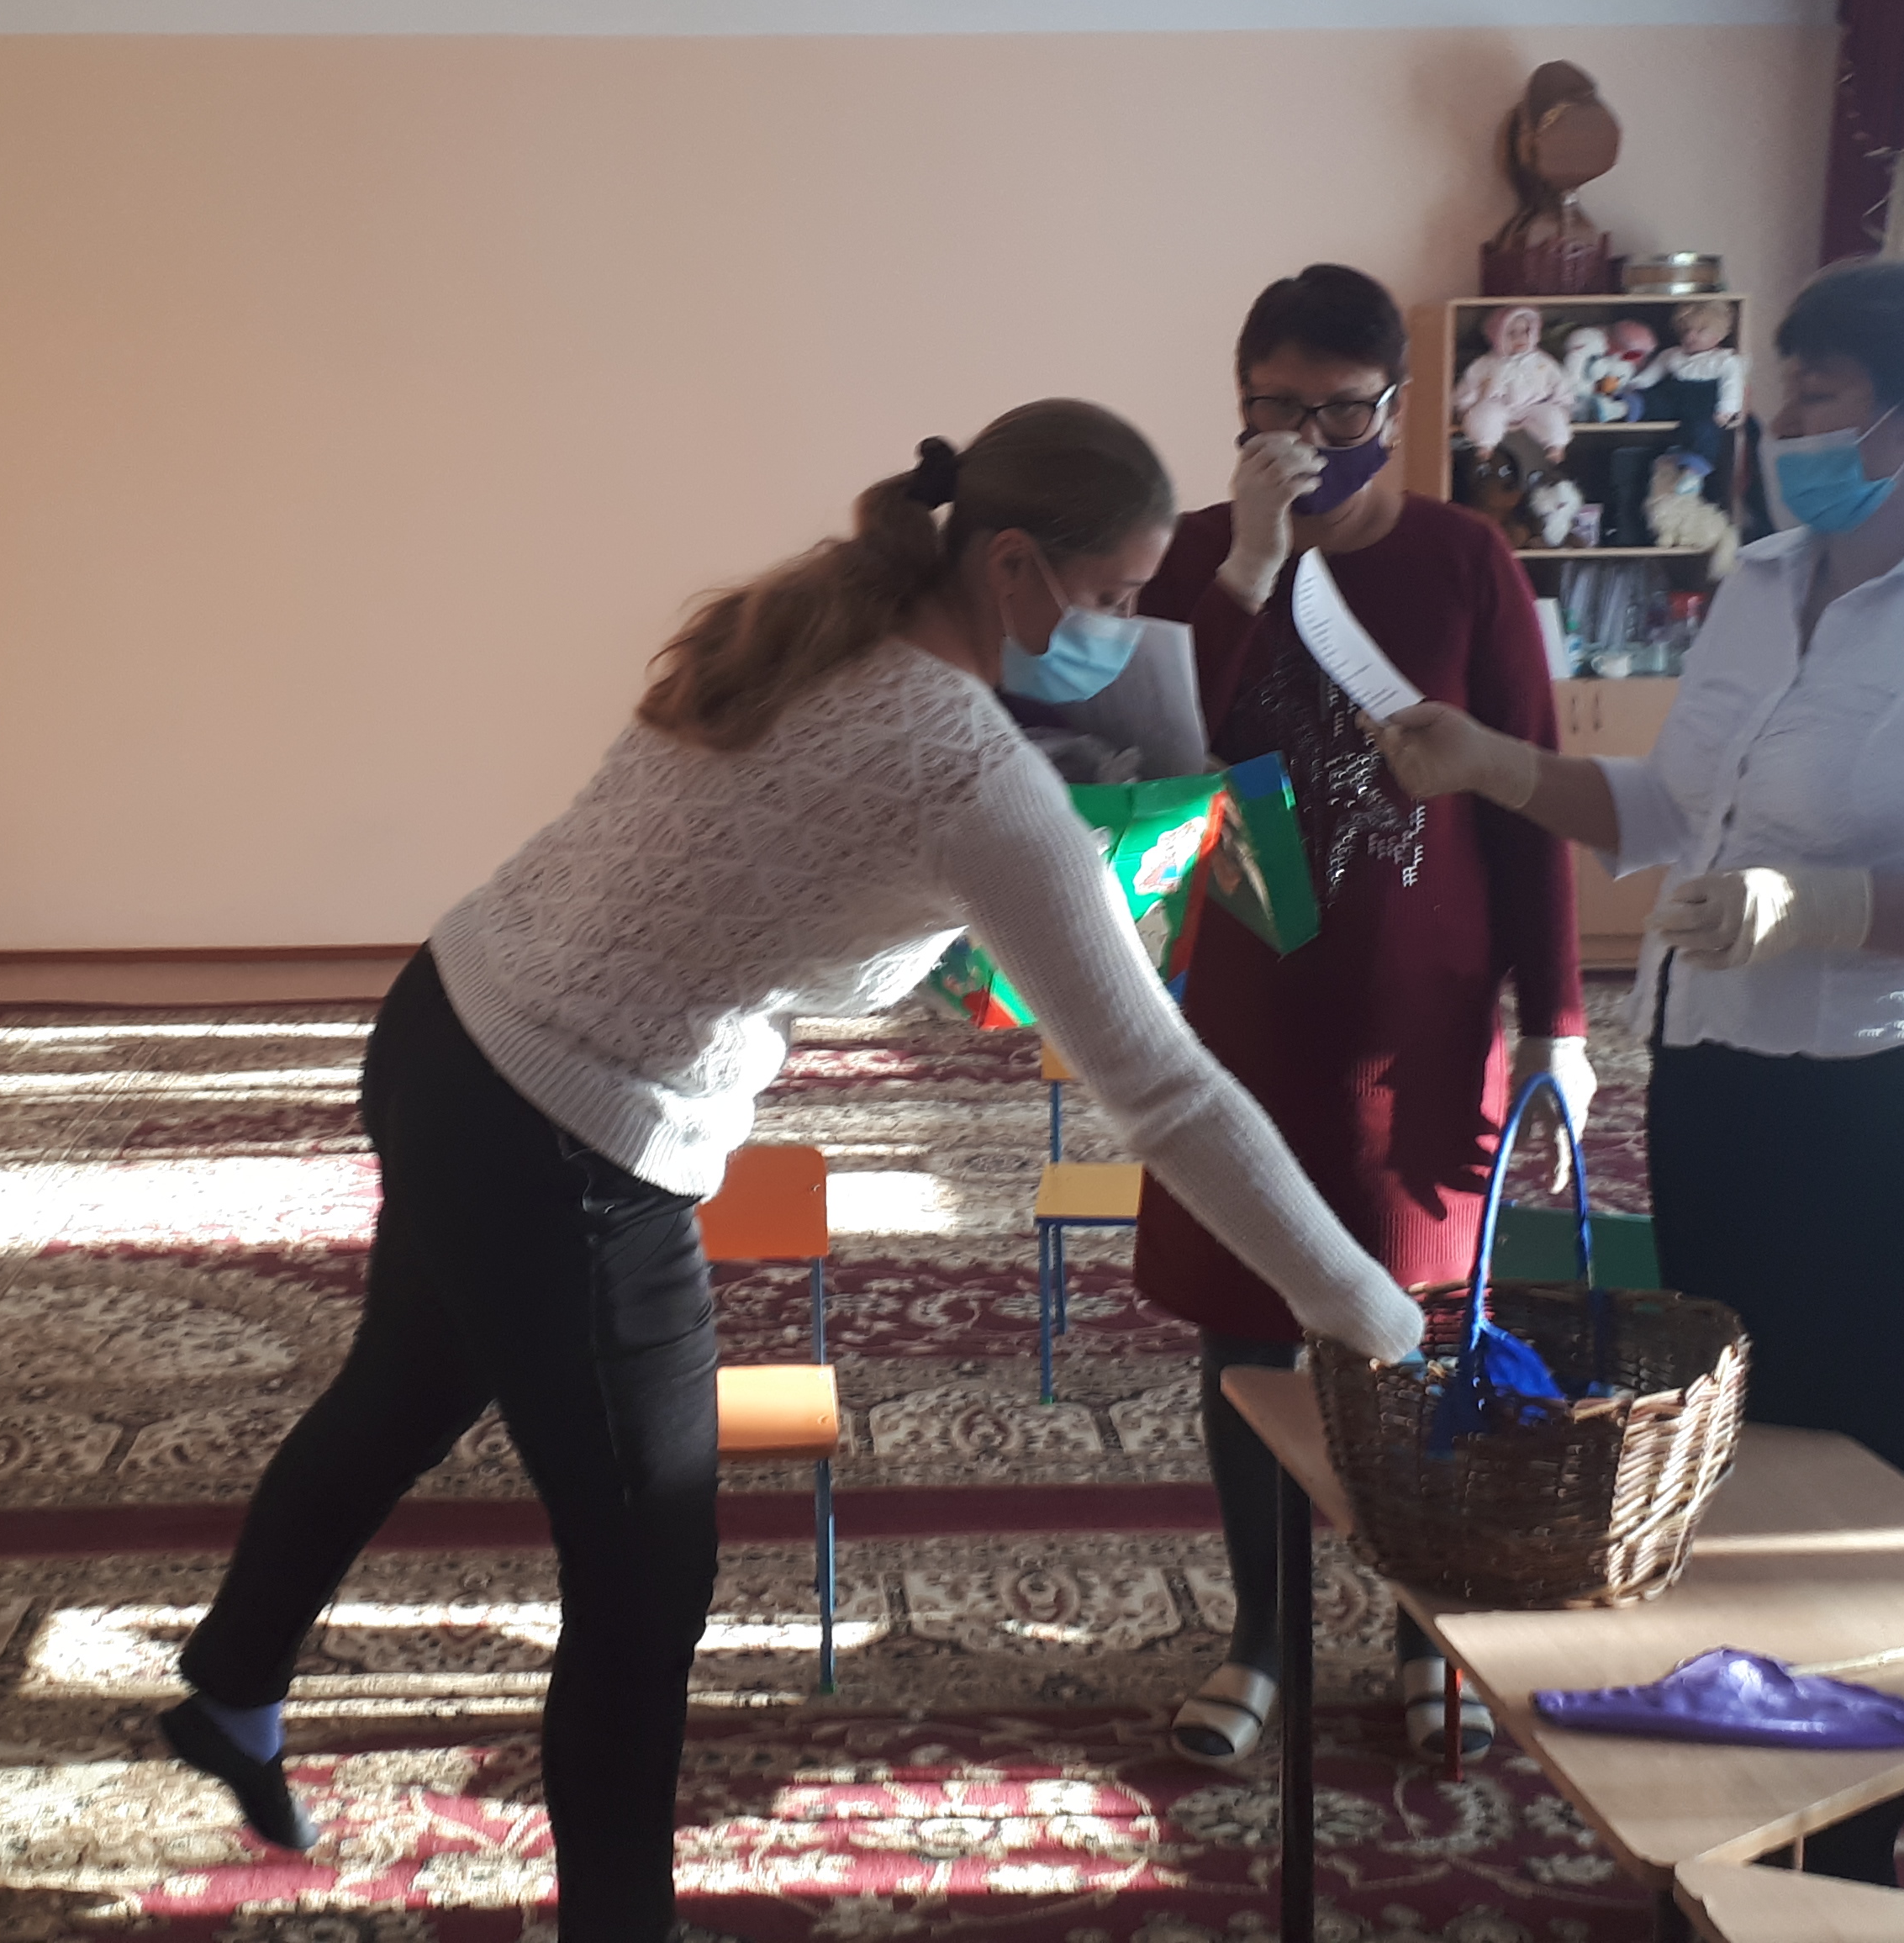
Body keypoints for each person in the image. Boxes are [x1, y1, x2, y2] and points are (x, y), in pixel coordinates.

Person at [165, 401, 1427, 1943]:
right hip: (570, 1136)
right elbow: (1165, 1092)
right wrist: (1370, 1313)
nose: (1120, 630)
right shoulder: (966, 766)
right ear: (1014, 568)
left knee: (404, 1387)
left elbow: (791, 880)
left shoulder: (812, 624)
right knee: (644, 1581)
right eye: (1111, 596)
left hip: (447, 1026)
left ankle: (231, 1685)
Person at [1368, 258, 1904, 1884]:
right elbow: (1665, 813)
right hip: (1717, 1079)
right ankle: (1736, 1822)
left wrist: (1831, 908)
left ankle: (1846, 1865)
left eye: (1819, 395)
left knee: (1869, 1510)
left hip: (1891, 1105)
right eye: (1784, 392)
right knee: (1733, 1463)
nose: (1781, 427)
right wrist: (1495, 764)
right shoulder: (1766, 584)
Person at [1129, 264, 1586, 1766]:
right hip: (1242, 1022)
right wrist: (1249, 571)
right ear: (1239, 404)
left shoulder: (1466, 560)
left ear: (1394, 405)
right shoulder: (1195, 556)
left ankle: (1418, 1634)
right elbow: (1156, 760)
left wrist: (1560, 1022)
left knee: (1422, 1339)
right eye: (1276, 408)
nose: (1310, 437)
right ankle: (1261, 1640)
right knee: (1249, 1337)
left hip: (1426, 1030)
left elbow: (1528, 798)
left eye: (1341, 410)